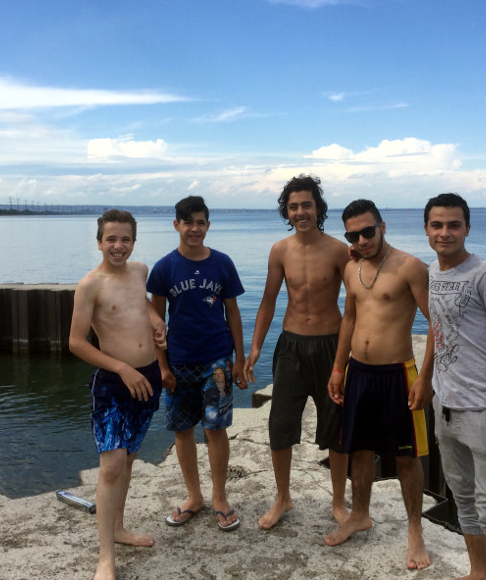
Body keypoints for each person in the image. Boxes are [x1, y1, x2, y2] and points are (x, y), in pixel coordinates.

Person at [325, 198, 434, 571]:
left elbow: (436, 324)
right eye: (352, 234)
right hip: (358, 372)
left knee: (406, 457)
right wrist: (338, 368)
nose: (361, 239)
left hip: (396, 373)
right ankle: (359, 514)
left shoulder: (411, 267)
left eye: (367, 231)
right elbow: (349, 320)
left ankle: (415, 529)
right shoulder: (352, 267)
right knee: (359, 449)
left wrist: (425, 376)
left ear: (382, 226)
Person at [424, 193, 486, 580]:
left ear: (467, 228)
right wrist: (425, 382)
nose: (445, 233)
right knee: (463, 500)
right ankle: (478, 572)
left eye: (453, 225)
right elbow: (436, 328)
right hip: (445, 409)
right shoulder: (430, 273)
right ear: (427, 229)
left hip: (485, 412)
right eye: (437, 225)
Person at [244, 174, 350, 529]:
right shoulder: (280, 250)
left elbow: (357, 304)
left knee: (335, 425)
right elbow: (268, 302)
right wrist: (255, 347)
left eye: (307, 205)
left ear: (318, 208)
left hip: (330, 345)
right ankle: (283, 498)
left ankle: (338, 501)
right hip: (291, 345)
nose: (301, 212)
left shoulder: (338, 250)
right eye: (294, 207)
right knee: (280, 424)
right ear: (286, 212)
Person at [69, 209, 167, 580]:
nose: (118, 246)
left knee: (128, 459)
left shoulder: (140, 271)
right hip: (113, 382)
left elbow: (141, 304)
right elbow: (76, 342)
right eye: (111, 239)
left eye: (125, 239)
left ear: (133, 242)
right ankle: (105, 557)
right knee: (111, 464)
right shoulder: (90, 285)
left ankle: (119, 528)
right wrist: (121, 368)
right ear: (99, 242)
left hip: (147, 379)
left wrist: (157, 320)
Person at [147, 195, 247, 532]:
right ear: (176, 225)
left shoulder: (222, 263)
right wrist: (161, 366)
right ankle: (195, 497)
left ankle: (220, 497)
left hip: (217, 360)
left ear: (208, 225)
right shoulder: (164, 268)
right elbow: (156, 321)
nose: (194, 229)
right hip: (178, 361)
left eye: (200, 222)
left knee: (215, 429)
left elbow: (232, 313)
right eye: (188, 222)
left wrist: (239, 358)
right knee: (182, 429)